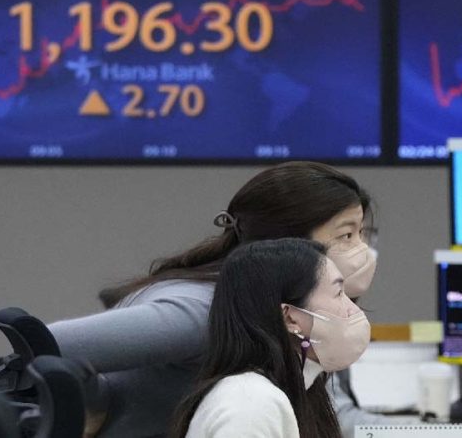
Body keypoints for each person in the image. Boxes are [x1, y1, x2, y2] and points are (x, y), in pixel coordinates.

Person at [48, 161, 383, 437]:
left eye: (361, 235)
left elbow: (332, 415)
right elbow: (48, 343)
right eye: (346, 235)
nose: (361, 251)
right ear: (285, 242)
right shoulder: (207, 312)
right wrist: (95, 402)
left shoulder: (290, 311)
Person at [171, 238, 369, 438]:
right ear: (290, 317)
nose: (353, 309)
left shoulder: (298, 392)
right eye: (338, 293)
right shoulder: (250, 403)